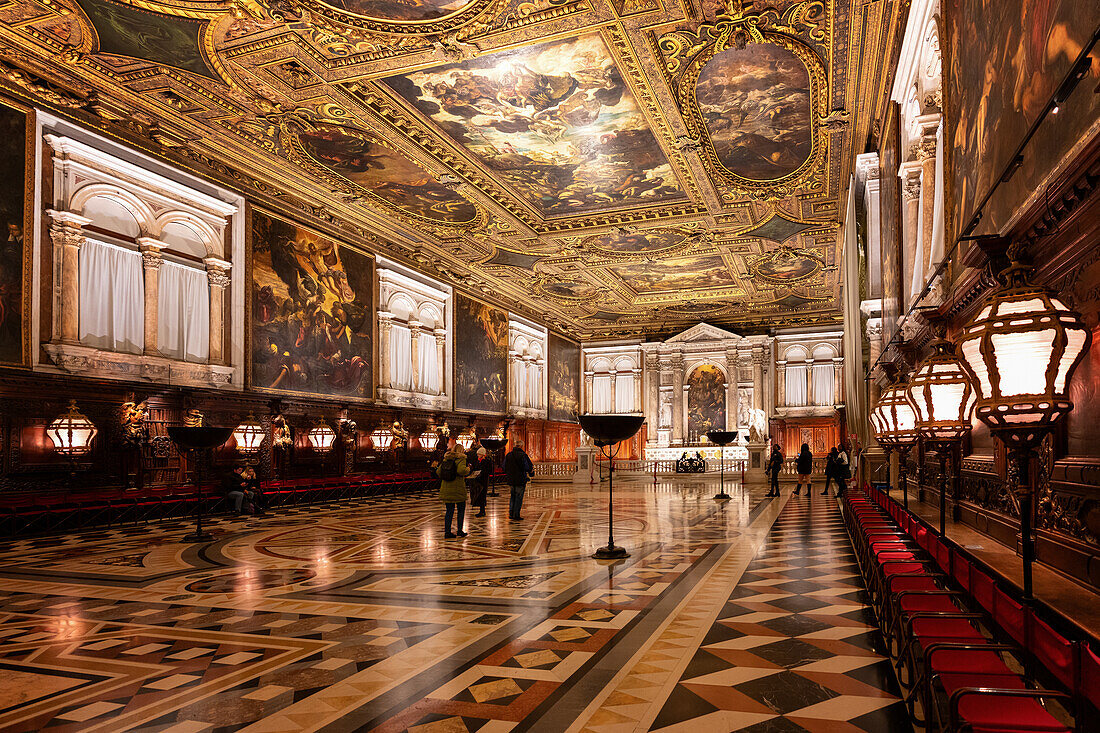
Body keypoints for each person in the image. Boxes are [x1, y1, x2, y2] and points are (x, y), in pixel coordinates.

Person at [432, 437, 470, 538]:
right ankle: (459, 530)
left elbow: (438, 472)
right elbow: (461, 471)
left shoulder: (446, 458)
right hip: (458, 489)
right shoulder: (461, 458)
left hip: (446, 489)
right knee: (461, 510)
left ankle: (447, 532)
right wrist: (468, 469)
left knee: (449, 511)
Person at [504, 440, 534, 520]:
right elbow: (527, 467)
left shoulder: (508, 455)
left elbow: (504, 467)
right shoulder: (523, 455)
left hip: (511, 479)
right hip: (520, 479)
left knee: (512, 496)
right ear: (521, 446)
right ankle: (516, 514)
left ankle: (511, 513)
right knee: (518, 497)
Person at [471, 446, 493, 518]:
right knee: (479, 495)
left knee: (483, 496)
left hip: (484, 480)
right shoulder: (478, 461)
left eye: (479, 454)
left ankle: (482, 511)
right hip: (478, 480)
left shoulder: (487, 461)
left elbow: (489, 470)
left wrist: (481, 472)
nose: (478, 456)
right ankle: (481, 510)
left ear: (483, 455)